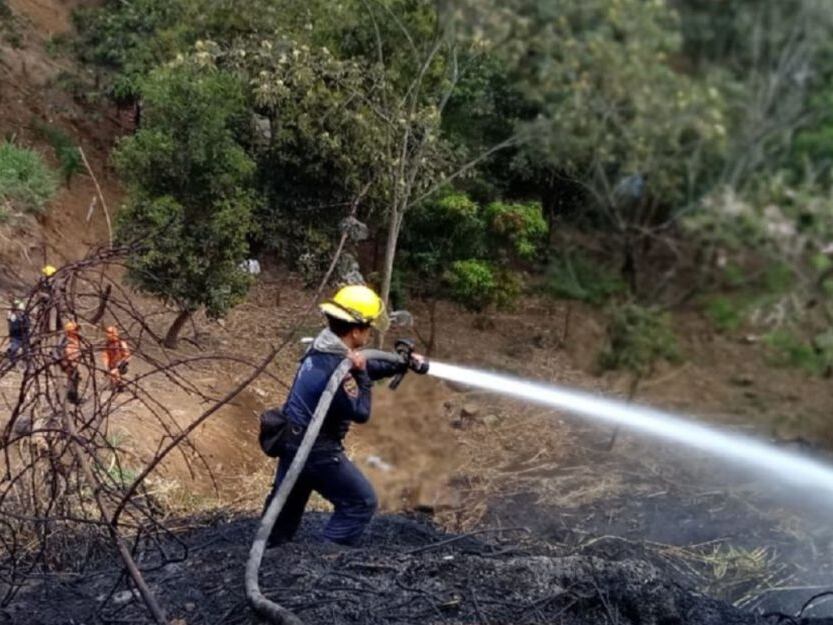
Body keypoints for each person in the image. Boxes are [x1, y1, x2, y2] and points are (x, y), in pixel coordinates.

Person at [263, 285, 426, 547]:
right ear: (356, 331)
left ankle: (272, 555)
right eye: (369, 327)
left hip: (292, 441)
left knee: (285, 509)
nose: (370, 332)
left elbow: (365, 363)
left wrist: (401, 362)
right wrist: (363, 378)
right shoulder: (336, 370)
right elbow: (361, 412)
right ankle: (324, 561)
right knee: (361, 502)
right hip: (316, 450)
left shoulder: (323, 347)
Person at [58, 321, 82, 404]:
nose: (77, 331)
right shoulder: (65, 339)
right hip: (68, 362)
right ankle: (71, 397)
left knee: (75, 378)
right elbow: (60, 351)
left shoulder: (76, 338)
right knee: (72, 378)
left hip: (75, 362)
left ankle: (73, 397)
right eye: (75, 329)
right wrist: (64, 362)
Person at [102, 326, 131, 391]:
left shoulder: (121, 343)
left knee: (114, 374)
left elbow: (128, 355)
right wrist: (106, 367)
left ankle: (119, 385)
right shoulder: (107, 344)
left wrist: (119, 365)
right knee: (111, 382)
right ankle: (117, 386)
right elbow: (105, 356)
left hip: (122, 365)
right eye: (107, 333)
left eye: (110, 333)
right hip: (111, 366)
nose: (108, 335)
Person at [6, 298, 30, 368]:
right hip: (15, 337)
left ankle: (27, 364)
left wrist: (23, 322)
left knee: (27, 351)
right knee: (14, 349)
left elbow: (28, 325)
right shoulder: (11, 315)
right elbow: (11, 326)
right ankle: (13, 363)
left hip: (24, 336)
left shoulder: (24, 315)